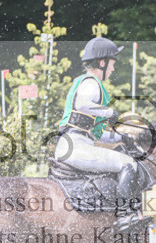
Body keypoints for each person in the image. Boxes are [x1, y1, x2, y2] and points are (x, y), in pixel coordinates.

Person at [55, 36, 145, 230]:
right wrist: (109, 112)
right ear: (102, 62)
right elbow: (82, 104)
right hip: (75, 147)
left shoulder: (87, 82)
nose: (113, 69)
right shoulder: (91, 82)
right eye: (112, 63)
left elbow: (96, 135)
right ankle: (125, 216)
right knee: (128, 163)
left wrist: (121, 137)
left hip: (76, 143)